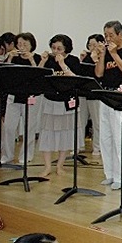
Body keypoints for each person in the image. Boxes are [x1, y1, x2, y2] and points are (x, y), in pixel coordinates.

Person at [95, 20, 122, 190]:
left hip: (121, 96)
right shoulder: (106, 51)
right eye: (106, 35)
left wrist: (114, 54)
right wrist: (102, 55)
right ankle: (110, 174)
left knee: (119, 138)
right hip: (105, 95)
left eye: (111, 35)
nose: (108, 38)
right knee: (105, 137)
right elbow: (99, 74)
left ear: (120, 34)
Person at [37, 34, 81, 177]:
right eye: (53, 48)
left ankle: (60, 165)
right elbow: (37, 77)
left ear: (66, 49)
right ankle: (47, 166)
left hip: (67, 101)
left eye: (59, 48)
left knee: (66, 134)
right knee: (47, 133)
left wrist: (62, 64)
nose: (55, 51)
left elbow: (76, 79)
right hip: (50, 101)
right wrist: (42, 62)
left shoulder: (73, 60)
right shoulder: (48, 60)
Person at [1, 32, 42, 164]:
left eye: (25, 44)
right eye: (19, 44)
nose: (22, 47)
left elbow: (39, 75)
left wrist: (31, 60)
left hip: (31, 97)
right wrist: (9, 58)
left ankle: (26, 156)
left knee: (29, 128)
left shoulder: (37, 57)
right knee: (8, 128)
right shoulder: (13, 57)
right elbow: (5, 74)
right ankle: (7, 156)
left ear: (31, 45)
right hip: (14, 96)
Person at [78, 34, 105, 155]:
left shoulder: (103, 57)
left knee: (97, 122)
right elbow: (82, 73)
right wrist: (82, 60)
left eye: (94, 45)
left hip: (96, 94)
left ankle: (97, 147)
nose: (92, 47)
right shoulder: (87, 57)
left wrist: (96, 60)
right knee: (80, 121)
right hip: (83, 93)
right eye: (90, 45)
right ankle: (79, 145)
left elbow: (100, 75)